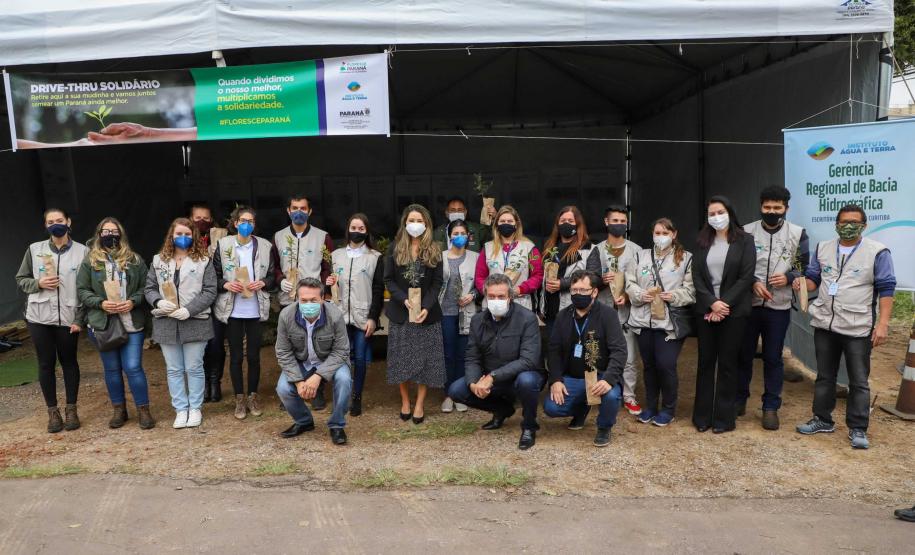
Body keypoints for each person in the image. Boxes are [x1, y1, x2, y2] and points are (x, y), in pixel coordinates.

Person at [795, 204, 895, 449]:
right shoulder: (824, 248)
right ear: (836, 224)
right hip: (825, 325)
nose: (848, 226)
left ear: (864, 225)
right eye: (844, 222)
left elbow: (886, 288)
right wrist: (801, 283)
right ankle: (822, 419)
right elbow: (814, 279)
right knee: (824, 376)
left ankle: (858, 428)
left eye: (854, 222)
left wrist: (882, 324)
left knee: (859, 380)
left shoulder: (877, 252)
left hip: (857, 327)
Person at [737, 186, 809, 430]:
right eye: (767, 207)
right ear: (760, 207)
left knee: (772, 358)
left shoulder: (798, 234)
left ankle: (770, 407)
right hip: (748, 305)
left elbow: (804, 266)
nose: (772, 211)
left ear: (786, 209)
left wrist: (789, 277)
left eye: (777, 208)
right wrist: (753, 282)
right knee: (743, 355)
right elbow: (736, 267)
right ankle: (739, 399)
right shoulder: (746, 232)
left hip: (778, 307)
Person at [447, 274, 542, 449]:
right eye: (491, 297)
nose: (496, 300)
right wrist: (473, 383)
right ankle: (502, 409)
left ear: (510, 297)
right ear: (485, 297)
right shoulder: (478, 320)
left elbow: (528, 360)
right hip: (490, 377)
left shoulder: (527, 319)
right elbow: (472, 356)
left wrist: (492, 377)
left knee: (528, 381)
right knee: (457, 390)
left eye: (501, 296)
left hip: (519, 377)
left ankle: (529, 426)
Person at [76, 217, 155, 430]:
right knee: (111, 369)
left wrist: (133, 301)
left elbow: (146, 287)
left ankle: (143, 409)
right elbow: (82, 290)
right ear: (98, 235)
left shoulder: (135, 259)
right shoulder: (89, 261)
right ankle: (119, 409)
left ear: (121, 234)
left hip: (131, 322)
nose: (110, 235)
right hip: (104, 324)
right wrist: (101, 303)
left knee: (133, 367)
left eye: (114, 231)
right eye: (105, 231)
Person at [16, 208, 89, 433]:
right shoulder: (34, 249)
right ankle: (52, 412)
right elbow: (21, 278)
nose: (55, 224)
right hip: (39, 317)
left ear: (69, 222)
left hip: (68, 317)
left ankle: (71, 409)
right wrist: (39, 284)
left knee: (69, 361)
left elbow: (87, 288)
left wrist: (80, 318)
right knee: (46, 363)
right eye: (50, 222)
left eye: (59, 220)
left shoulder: (83, 252)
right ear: (45, 226)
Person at [691, 196, 756, 434]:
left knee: (728, 364)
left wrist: (723, 303)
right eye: (711, 214)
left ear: (729, 212)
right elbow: (696, 276)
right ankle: (702, 417)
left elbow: (746, 277)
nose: (716, 217)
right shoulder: (701, 241)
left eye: (720, 212)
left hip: (734, 311)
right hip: (706, 311)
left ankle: (723, 419)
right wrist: (711, 303)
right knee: (705, 362)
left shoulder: (745, 241)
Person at [144, 218, 218, 429]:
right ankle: (180, 409)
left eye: (187, 234)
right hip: (167, 321)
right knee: (174, 369)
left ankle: (195, 408)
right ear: (171, 236)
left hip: (195, 320)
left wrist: (189, 310)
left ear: (193, 236)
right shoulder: (158, 260)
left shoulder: (204, 260)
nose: (183, 238)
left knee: (194, 367)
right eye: (179, 234)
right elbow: (149, 288)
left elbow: (210, 290)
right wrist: (158, 301)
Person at [544, 270, 627, 447]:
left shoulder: (608, 315)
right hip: (572, 377)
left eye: (583, 290)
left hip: (600, 376)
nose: (578, 294)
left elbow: (619, 351)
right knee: (552, 408)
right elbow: (554, 350)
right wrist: (556, 380)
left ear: (594, 292)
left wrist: (609, 379)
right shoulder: (563, 315)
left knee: (611, 396)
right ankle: (581, 409)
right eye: (574, 290)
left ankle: (604, 427)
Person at [624, 218, 695, 426]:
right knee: (649, 366)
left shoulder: (686, 259)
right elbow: (630, 282)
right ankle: (651, 407)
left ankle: (668, 408)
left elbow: (691, 290)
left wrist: (672, 295)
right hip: (643, 320)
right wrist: (639, 294)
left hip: (668, 323)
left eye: (665, 233)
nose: (660, 237)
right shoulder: (640, 256)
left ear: (674, 234)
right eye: (657, 233)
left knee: (666, 365)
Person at [212, 206, 276, 420]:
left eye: (250, 221)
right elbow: (214, 277)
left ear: (254, 225)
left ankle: (253, 395)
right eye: (242, 220)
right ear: (235, 223)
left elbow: (272, 277)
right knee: (236, 356)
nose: (246, 224)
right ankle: (239, 398)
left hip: (255, 308)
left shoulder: (265, 246)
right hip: (233, 309)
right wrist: (226, 285)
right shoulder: (223, 245)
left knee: (254, 357)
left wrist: (263, 282)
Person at [383, 204, 445, 424]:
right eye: (412, 220)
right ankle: (405, 401)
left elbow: (438, 282)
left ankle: (419, 403)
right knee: (401, 360)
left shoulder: (435, 249)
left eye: (420, 221)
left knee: (425, 361)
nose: (415, 225)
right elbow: (388, 279)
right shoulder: (394, 248)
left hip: (426, 315)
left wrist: (426, 306)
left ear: (426, 224)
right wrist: (404, 299)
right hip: (401, 312)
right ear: (405, 223)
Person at [274, 194, 335, 411]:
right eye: (294, 208)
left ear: (309, 212)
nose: (298, 211)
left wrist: (325, 290)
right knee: (293, 345)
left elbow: (328, 267)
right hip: (289, 299)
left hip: (314, 301)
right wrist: (281, 281)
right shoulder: (279, 237)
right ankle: (293, 389)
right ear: (288, 211)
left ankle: (317, 389)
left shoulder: (322, 237)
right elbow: (275, 266)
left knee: (317, 344)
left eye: (303, 208)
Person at [275, 278, 353, 445]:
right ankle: (304, 421)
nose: (308, 304)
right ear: (297, 297)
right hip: (302, 362)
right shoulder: (286, 315)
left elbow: (341, 350)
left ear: (323, 298)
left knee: (344, 380)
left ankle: (337, 425)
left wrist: (318, 377)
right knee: (283, 388)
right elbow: (283, 351)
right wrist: (297, 381)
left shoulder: (335, 315)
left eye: (313, 300)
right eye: (303, 300)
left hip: (330, 361)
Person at [586, 205, 644, 416]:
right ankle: (596, 392)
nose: (619, 224)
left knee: (628, 356)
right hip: (601, 311)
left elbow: (642, 280)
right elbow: (588, 280)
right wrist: (601, 280)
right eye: (615, 221)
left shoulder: (637, 250)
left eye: (622, 221)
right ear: (606, 222)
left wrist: (628, 295)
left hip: (626, 312)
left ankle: (629, 396)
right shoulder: (597, 249)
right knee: (597, 353)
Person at [327, 213, 384, 416]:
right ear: (347, 229)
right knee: (341, 358)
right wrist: (329, 284)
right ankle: (341, 396)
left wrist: (373, 318)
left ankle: (357, 398)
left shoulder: (375, 257)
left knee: (360, 358)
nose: (357, 232)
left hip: (362, 316)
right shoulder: (335, 256)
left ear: (366, 231)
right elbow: (329, 286)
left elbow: (378, 290)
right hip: (340, 315)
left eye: (361, 229)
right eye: (354, 227)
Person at [439, 219, 480, 413]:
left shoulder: (476, 257)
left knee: (464, 354)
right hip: (445, 312)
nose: (459, 237)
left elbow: (483, 283)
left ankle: (460, 393)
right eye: (455, 234)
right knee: (448, 354)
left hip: (467, 312)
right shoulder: (440, 257)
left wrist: (472, 295)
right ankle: (448, 394)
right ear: (449, 236)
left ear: (468, 236)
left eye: (462, 233)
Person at [474, 205, 543, 312]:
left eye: (510, 221)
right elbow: (479, 277)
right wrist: (490, 291)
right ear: (496, 224)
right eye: (502, 221)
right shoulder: (487, 248)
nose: (506, 223)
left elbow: (538, 276)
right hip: (493, 304)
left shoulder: (529, 247)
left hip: (520, 305)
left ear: (516, 224)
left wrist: (520, 289)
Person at [541, 205, 593, 340]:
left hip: (576, 311)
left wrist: (562, 284)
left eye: (570, 221)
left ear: (578, 224)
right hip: (550, 313)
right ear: (557, 224)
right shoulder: (549, 248)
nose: (566, 224)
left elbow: (595, 277)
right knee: (554, 354)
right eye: (563, 220)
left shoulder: (588, 248)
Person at [190, 203, 225, 403]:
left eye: (206, 218)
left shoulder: (220, 239)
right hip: (195, 300)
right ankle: (203, 383)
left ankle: (215, 381)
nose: (202, 222)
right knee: (199, 344)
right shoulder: (185, 241)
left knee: (216, 344)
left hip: (217, 299)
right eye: (197, 218)